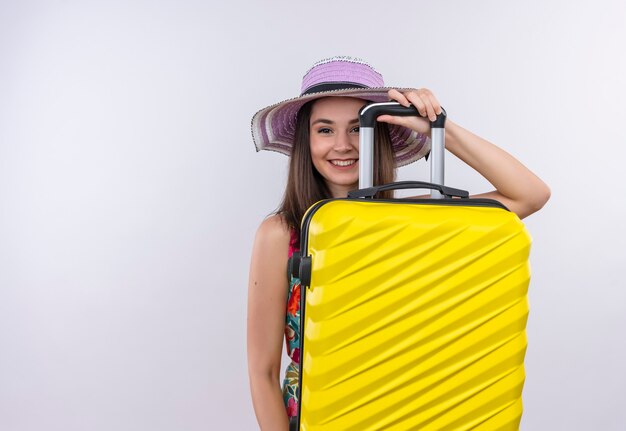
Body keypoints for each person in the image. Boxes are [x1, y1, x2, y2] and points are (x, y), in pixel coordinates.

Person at [246, 56, 550, 430]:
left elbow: (529, 195)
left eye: (359, 129)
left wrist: (439, 127)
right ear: (305, 141)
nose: (342, 145)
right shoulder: (281, 233)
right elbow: (263, 371)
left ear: (382, 133)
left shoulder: (420, 218)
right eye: (324, 130)